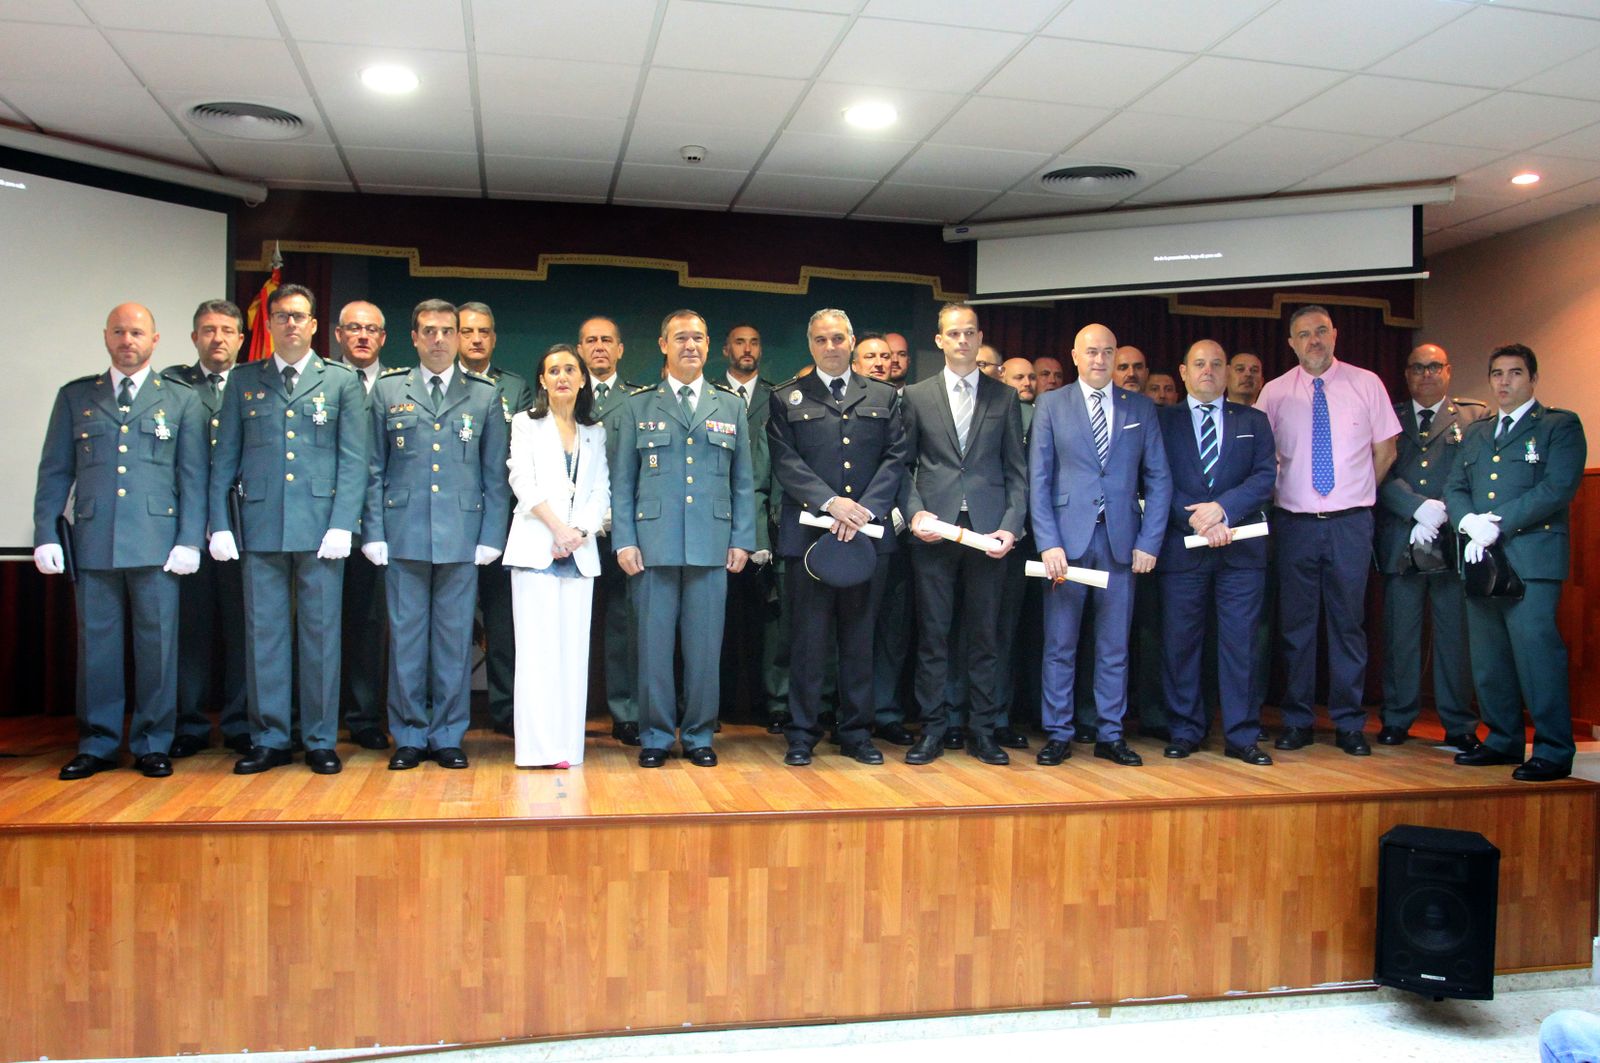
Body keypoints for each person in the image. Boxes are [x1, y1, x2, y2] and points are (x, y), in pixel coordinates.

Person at [34, 302, 208, 780]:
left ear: (155, 340)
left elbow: (192, 476)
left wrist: (190, 538)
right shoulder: (76, 397)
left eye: (136, 333)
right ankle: (98, 743)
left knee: (158, 649)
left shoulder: (181, 399)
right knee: (99, 649)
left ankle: (154, 742)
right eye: (119, 332)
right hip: (95, 541)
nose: (127, 340)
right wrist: (46, 531)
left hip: (159, 544)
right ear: (106, 338)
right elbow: (54, 472)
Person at [208, 284, 368, 775]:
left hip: (322, 531)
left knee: (321, 636)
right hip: (261, 526)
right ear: (269, 325)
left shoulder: (339, 380)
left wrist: (344, 523)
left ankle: (320, 738)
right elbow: (224, 460)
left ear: (316, 326)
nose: (291, 324)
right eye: (281, 317)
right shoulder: (243, 380)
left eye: (299, 317)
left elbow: (354, 461)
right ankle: (270, 737)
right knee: (265, 636)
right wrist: (219, 524)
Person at [360, 299, 510, 771]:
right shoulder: (387, 391)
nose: (440, 339)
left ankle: (447, 735)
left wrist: (491, 535)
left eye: (448, 331)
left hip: (463, 537)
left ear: (461, 337)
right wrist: (373, 531)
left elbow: (495, 476)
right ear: (414, 336)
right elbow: (371, 467)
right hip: (402, 534)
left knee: (451, 642)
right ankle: (407, 734)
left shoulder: (484, 395)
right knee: (405, 640)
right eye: (430, 330)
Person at [611, 309, 756, 767]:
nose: (689, 345)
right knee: (651, 649)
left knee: (704, 650)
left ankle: (698, 736)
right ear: (662, 345)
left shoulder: (729, 404)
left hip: (712, 545)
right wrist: (624, 540)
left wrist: (742, 538)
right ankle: (654, 736)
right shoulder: (637, 405)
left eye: (697, 338)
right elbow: (622, 482)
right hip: (651, 546)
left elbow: (742, 480)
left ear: (709, 345)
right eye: (680, 338)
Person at [766, 308, 908, 766]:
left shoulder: (884, 396)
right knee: (807, 641)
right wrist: (832, 504)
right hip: (810, 537)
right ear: (811, 345)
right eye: (822, 340)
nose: (831, 347)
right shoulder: (786, 397)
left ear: (851, 342)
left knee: (860, 638)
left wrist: (861, 510)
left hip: (866, 534)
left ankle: (855, 732)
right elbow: (786, 462)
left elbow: (895, 458)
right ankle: (802, 733)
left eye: (838, 339)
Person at [1256, 305, 1400, 756]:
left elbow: (1386, 452)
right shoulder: (1274, 393)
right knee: (1296, 628)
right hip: (1294, 525)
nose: (1314, 340)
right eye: (1304, 334)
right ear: (1292, 344)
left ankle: (1349, 723)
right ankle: (1297, 720)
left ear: (1335, 335)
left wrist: (1351, 496)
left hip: (1350, 524)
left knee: (1348, 626)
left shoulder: (1366, 383)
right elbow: (1261, 459)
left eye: (1321, 332)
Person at [1030, 323, 1171, 767]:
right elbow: (1039, 479)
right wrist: (1047, 541)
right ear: (1075, 355)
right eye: (1091, 351)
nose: (1099, 360)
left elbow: (1160, 479)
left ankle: (1111, 733)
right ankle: (1058, 732)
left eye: (1107, 352)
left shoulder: (1141, 408)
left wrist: (1150, 539)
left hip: (1121, 542)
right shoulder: (1051, 404)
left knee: (1114, 646)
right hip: (1066, 545)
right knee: (1060, 645)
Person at [1447, 343, 1586, 783]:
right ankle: (1502, 739)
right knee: (1489, 658)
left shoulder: (1558, 426)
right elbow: (1456, 486)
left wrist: (1498, 524)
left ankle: (1553, 748)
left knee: (1536, 655)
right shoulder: (1477, 432)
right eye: (1497, 374)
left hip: (1531, 557)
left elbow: (1557, 488)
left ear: (1532, 379)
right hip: (1481, 556)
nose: (1504, 382)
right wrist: (1467, 519)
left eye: (1515, 373)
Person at [901, 304, 1026, 767]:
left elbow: (1018, 473)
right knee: (933, 636)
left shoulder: (1005, 397)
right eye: (953, 333)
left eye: (969, 333)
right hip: (934, 532)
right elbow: (903, 468)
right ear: (939, 340)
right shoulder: (915, 396)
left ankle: (983, 730)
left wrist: (1011, 528)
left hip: (989, 535)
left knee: (985, 637)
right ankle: (933, 729)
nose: (962, 341)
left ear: (979, 338)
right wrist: (914, 515)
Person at [1156, 340, 1277, 764]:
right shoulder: (1162, 421)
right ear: (1183, 372)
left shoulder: (1254, 420)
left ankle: (1243, 736)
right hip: (1182, 549)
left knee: (1241, 645)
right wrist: (1194, 519)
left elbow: (1265, 477)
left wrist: (1224, 511)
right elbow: (1155, 478)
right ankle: (1186, 730)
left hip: (1241, 552)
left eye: (1216, 364)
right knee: (1181, 644)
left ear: (1227, 373)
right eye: (1199, 364)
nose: (1208, 370)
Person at [1375, 343, 1487, 749]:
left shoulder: (1474, 415)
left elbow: (1479, 473)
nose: (1426, 374)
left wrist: (1443, 510)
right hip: (1402, 539)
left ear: (1448, 370)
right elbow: (1375, 470)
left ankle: (1458, 723)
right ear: (1406, 374)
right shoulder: (1390, 415)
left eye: (1434, 366)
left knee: (1454, 638)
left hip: (1452, 539)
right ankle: (1397, 717)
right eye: (1418, 368)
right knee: (1400, 638)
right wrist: (1415, 508)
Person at [503, 344, 609, 767]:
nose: (562, 376)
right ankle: (537, 750)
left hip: (579, 553)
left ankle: (568, 748)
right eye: (553, 370)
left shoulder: (594, 432)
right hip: (536, 547)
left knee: (572, 656)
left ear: (583, 379)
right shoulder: (526, 424)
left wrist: (579, 531)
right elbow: (521, 480)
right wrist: (558, 528)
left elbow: (601, 490)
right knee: (537, 654)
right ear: (542, 381)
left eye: (570, 369)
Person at [163, 299, 251, 757]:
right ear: (194, 337)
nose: (218, 338)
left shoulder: (255, 382)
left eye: (227, 330)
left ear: (241, 338)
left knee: (244, 631)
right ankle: (190, 724)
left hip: (241, 527)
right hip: (187, 529)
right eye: (208, 330)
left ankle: (240, 722)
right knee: (190, 632)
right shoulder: (171, 385)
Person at [458, 301, 534, 739]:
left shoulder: (515, 387)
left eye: (483, 331)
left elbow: (519, 453)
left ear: (493, 338)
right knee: (448, 626)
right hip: (452, 523)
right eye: (467, 331)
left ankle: (505, 711)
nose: (475, 339)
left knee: (504, 629)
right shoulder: (442, 388)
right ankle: (447, 710)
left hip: (503, 525)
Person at [581, 314, 645, 745]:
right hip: (573, 533)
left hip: (621, 531)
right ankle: (570, 712)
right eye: (590, 341)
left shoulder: (639, 400)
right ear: (579, 349)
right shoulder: (563, 392)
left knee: (625, 627)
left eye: (607, 340)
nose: (599, 347)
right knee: (568, 623)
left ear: (620, 349)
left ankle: (626, 713)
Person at [331, 299, 392, 750]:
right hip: (323, 524)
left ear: (384, 338)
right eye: (354, 328)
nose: (363, 336)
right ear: (338, 335)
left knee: (369, 624)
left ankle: (364, 715)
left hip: (380, 529)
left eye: (371, 329)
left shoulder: (399, 386)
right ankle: (308, 715)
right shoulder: (323, 382)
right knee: (316, 623)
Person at [719, 323, 777, 723]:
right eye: (740, 342)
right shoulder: (708, 396)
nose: (747, 348)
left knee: (767, 623)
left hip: (766, 525)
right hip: (714, 522)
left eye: (754, 342)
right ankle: (714, 703)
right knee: (714, 621)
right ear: (725, 349)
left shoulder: (778, 397)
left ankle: (768, 703)